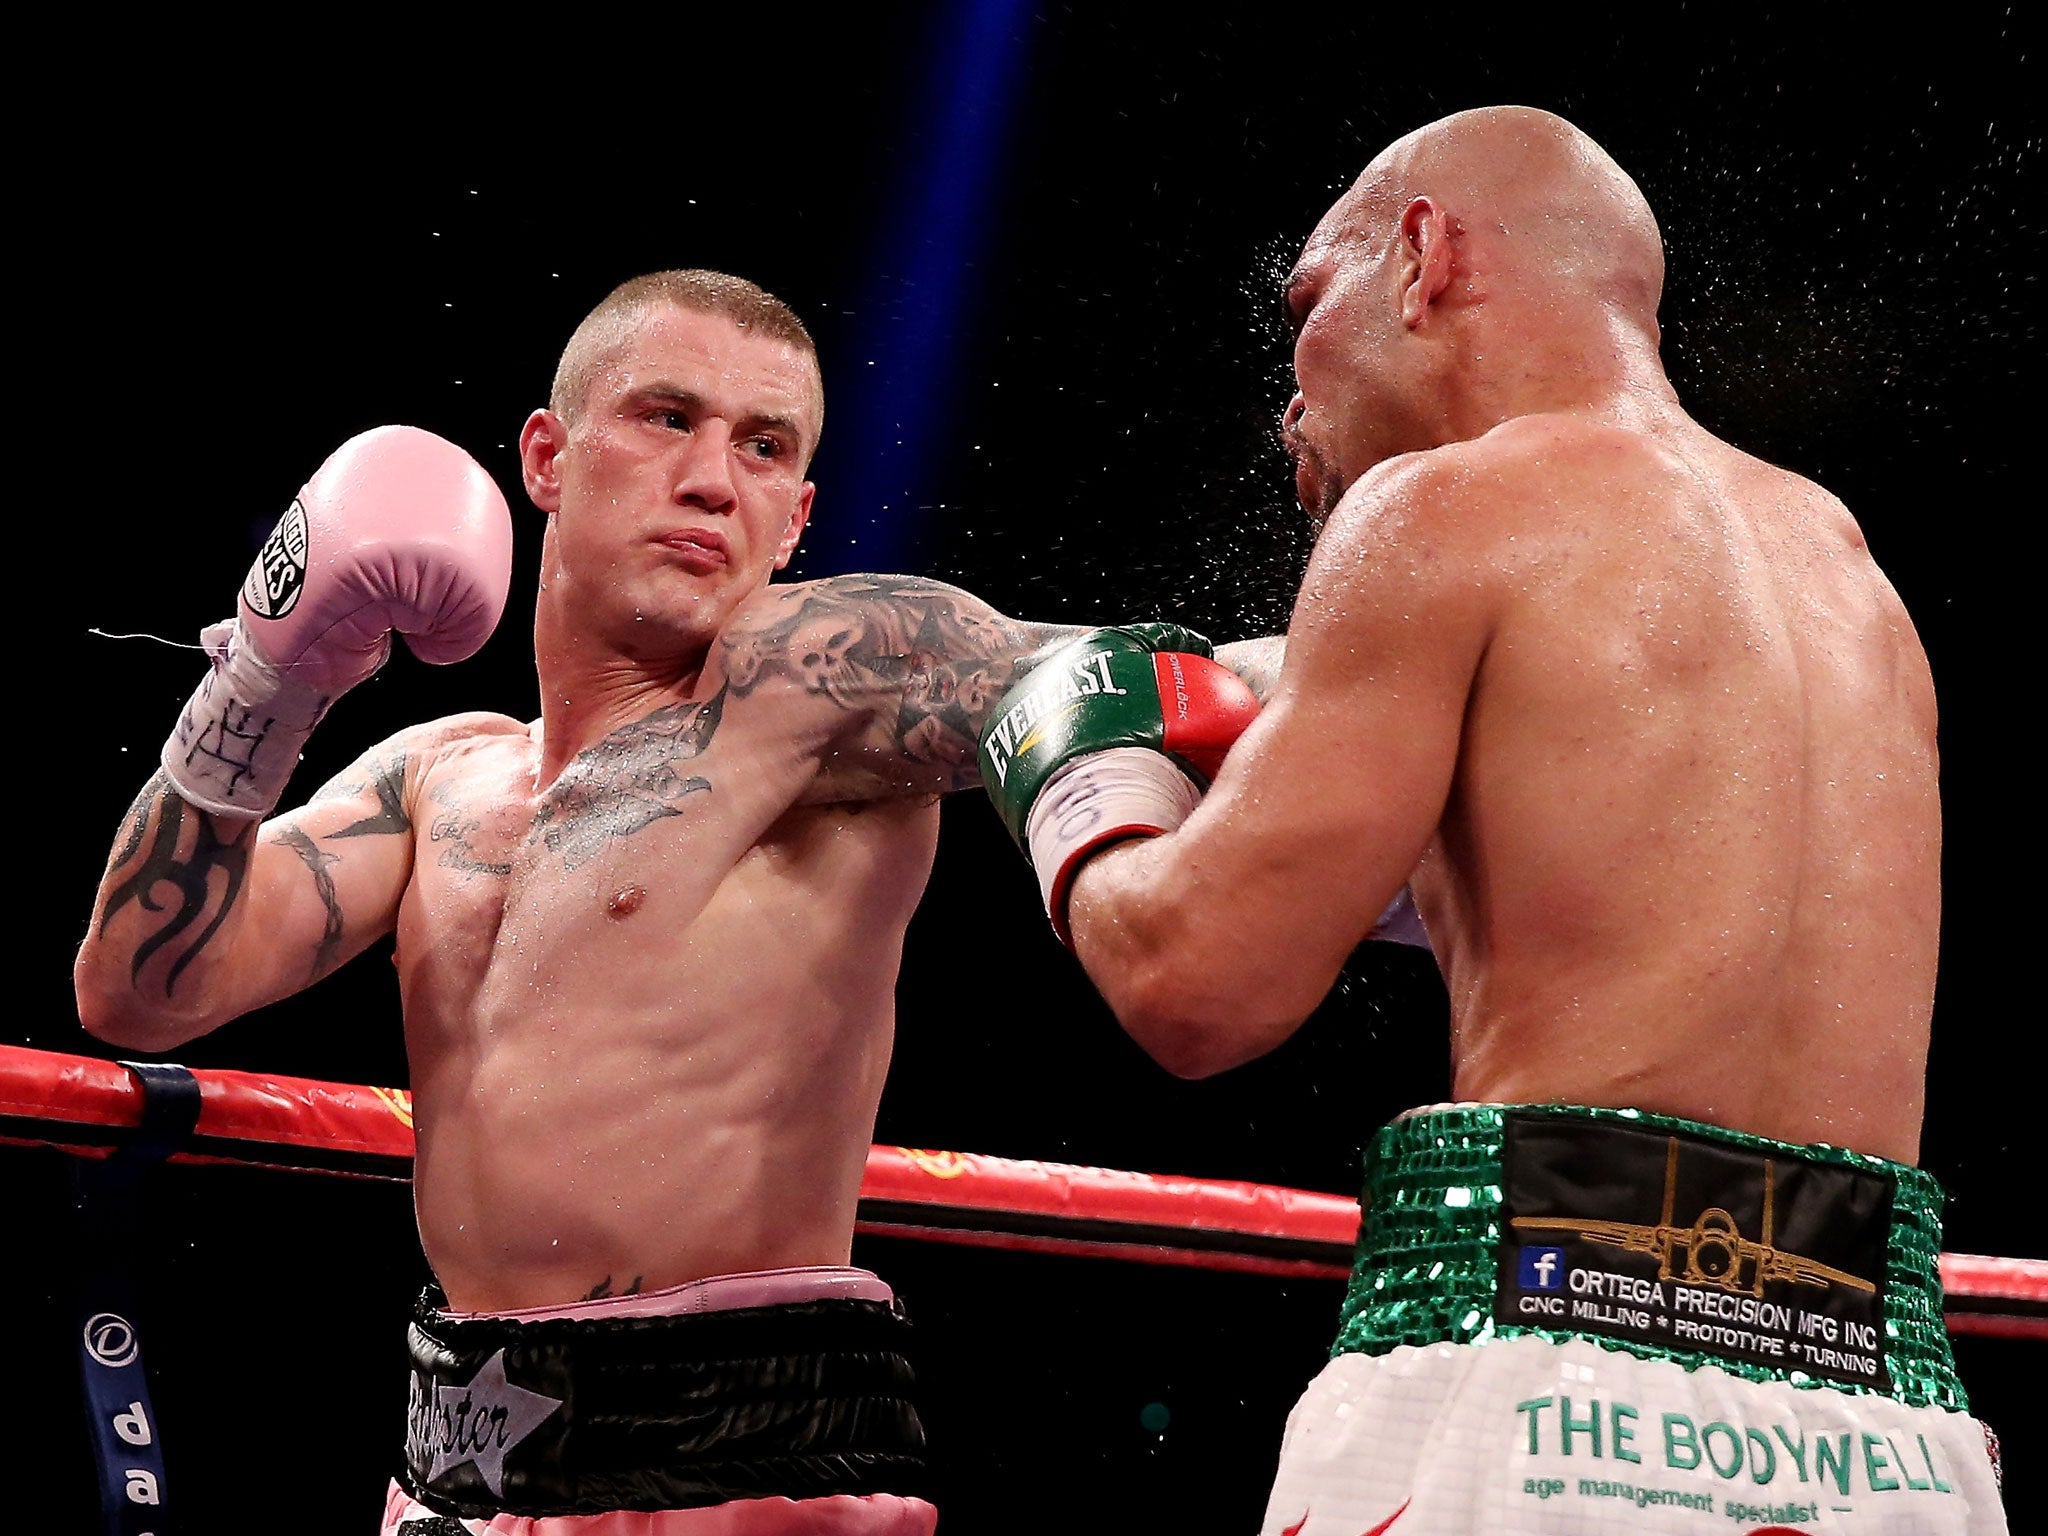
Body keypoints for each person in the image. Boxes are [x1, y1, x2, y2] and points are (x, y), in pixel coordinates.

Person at [72, 268, 1274, 1534]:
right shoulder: (433, 778)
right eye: (667, 418)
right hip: (455, 1473)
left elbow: (1115, 673)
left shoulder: (805, 687)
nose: (713, 479)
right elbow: (140, 992)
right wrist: (264, 684)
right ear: (547, 457)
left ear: (797, 517)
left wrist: (1358, 705)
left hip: (730, 1459)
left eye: (764, 448)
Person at [977, 108, 2008, 1533]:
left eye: (1308, 303)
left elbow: (1193, 984)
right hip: (1884, 1429)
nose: (1291, 393)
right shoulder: (1848, 576)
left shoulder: (1440, 511)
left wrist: (1075, 770)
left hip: (1546, 1382)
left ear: (1423, 254)